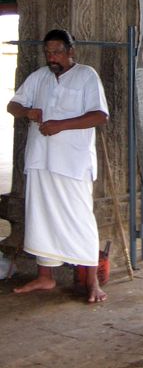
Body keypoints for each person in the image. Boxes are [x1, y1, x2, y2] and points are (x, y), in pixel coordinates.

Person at [7, 28, 109, 303]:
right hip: (40, 159)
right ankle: (45, 276)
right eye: (48, 52)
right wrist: (27, 112)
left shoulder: (86, 75)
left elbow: (100, 115)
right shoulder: (39, 77)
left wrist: (61, 125)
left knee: (80, 219)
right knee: (42, 219)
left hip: (73, 162)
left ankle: (92, 282)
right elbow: (12, 105)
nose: (52, 57)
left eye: (58, 51)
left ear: (71, 51)